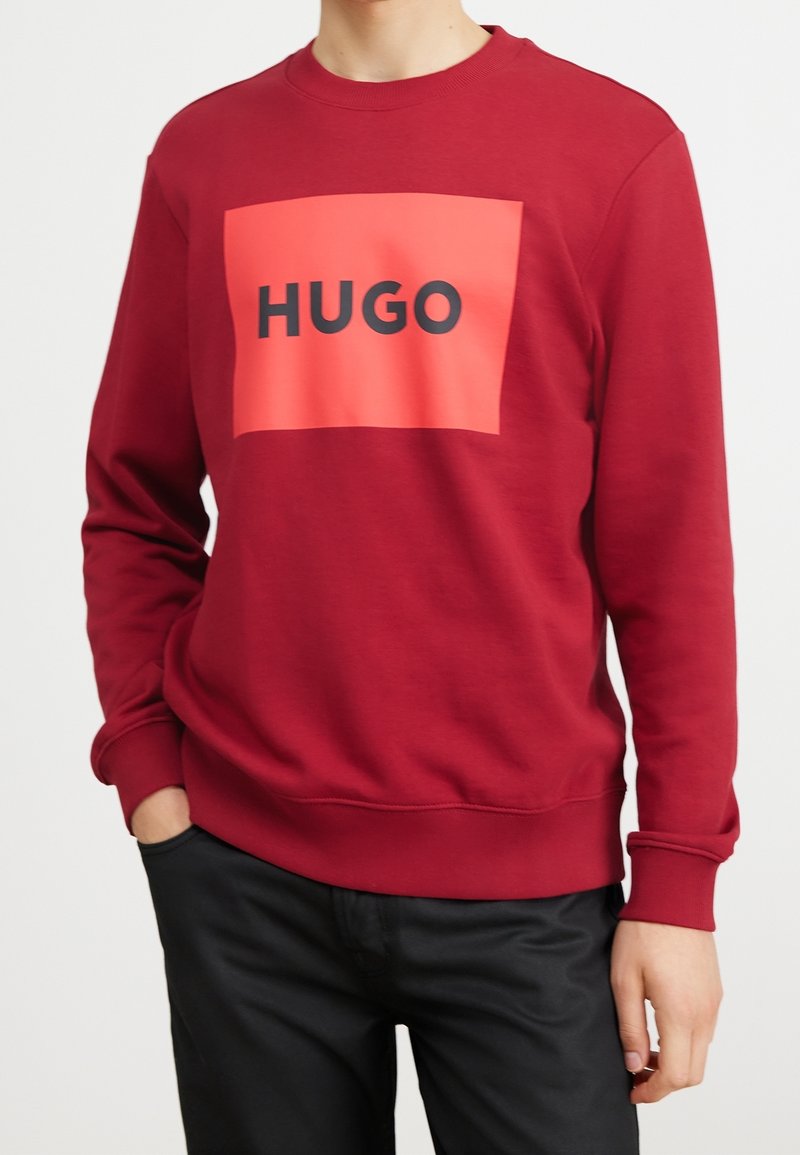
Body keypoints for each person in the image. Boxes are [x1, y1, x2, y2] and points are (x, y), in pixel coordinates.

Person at [80, 2, 740, 1151]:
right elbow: (135, 494)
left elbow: (669, 547)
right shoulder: (204, 155)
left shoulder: (614, 150)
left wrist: (676, 879)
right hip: (241, 873)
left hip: (527, 892)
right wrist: (150, 774)